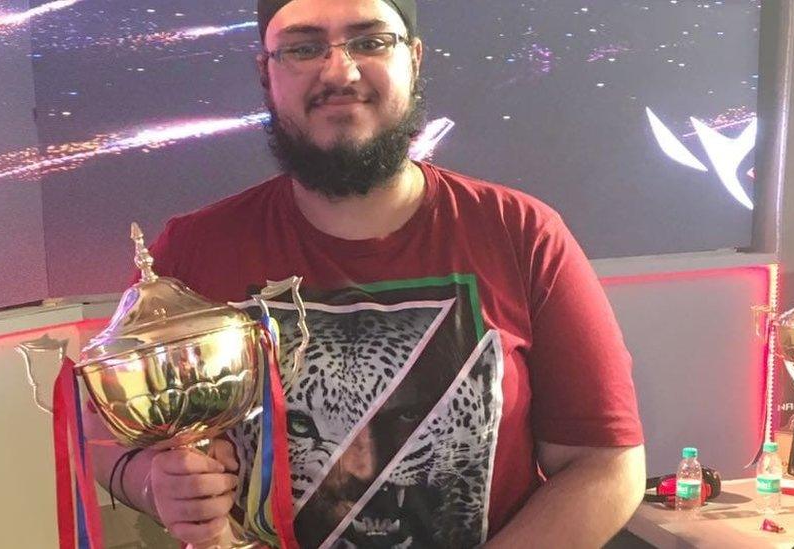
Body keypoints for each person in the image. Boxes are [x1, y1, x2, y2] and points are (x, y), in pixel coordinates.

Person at [86, 0, 646, 547]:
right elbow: (100, 437)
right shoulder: (192, 253)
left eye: (370, 40)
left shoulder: (522, 234)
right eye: (304, 47)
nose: (341, 71)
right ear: (266, 73)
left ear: (415, 58)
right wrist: (154, 483)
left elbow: (604, 461)